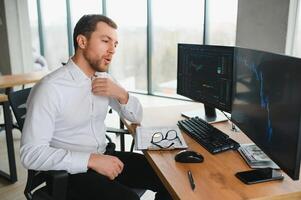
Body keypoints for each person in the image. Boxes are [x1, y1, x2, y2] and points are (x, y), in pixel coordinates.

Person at [20, 14, 172, 200]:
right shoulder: (49, 88)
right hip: (71, 173)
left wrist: (122, 94)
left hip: (104, 156)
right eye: (105, 41)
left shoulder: (104, 79)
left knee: (168, 176)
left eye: (115, 44)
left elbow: (136, 117)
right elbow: (31, 154)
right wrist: (91, 160)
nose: (112, 50)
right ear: (82, 41)